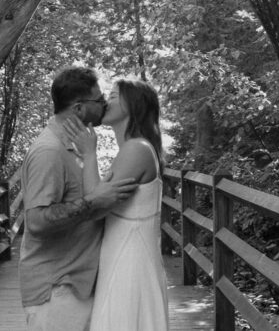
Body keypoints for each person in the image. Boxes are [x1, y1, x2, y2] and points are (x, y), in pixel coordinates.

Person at [19, 66, 139, 331]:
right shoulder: (49, 152)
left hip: (74, 285)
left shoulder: (73, 145)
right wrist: (95, 202)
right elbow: (37, 221)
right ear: (79, 108)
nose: (105, 103)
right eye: (99, 100)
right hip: (57, 289)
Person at [65, 78, 170, 331]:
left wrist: (90, 154)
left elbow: (96, 204)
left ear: (133, 105)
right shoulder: (133, 149)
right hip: (122, 252)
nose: (106, 101)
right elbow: (98, 196)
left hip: (130, 260)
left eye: (113, 96)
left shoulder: (136, 150)